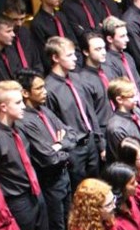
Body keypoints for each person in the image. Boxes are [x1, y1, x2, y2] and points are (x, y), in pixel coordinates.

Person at [0, 80, 49, 230]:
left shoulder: (18, 127)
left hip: (35, 191)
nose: (23, 107)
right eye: (18, 103)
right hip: (17, 199)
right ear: (3, 107)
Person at [15, 69, 74, 230]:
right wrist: (63, 148)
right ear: (25, 93)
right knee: (58, 228)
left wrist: (59, 145)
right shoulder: (24, 121)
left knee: (69, 220)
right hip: (50, 181)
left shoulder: (45, 110)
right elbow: (48, 158)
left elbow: (71, 134)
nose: (45, 91)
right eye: (39, 88)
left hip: (64, 175)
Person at [43, 36, 101, 191]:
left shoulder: (77, 78)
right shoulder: (48, 89)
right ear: (55, 58)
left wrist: (98, 140)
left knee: (96, 186)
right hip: (74, 149)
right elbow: (52, 125)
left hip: (91, 142)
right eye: (69, 55)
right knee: (80, 191)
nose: (75, 58)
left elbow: (90, 111)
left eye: (74, 53)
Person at [101, 16, 140, 117]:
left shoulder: (128, 57)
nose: (127, 39)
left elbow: (139, 83)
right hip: (128, 112)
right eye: (122, 36)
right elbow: (120, 93)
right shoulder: (107, 63)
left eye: (126, 35)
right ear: (110, 39)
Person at [30, 0, 75, 72]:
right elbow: (44, 56)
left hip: (74, 63)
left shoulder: (61, 15)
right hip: (57, 69)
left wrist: (76, 63)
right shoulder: (37, 23)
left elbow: (73, 41)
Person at [104, 78, 140, 164]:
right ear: (119, 100)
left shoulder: (137, 111)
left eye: (136, 94)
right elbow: (126, 161)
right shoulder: (116, 128)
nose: (137, 99)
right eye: (132, 96)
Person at [3, 0, 40, 73]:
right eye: (14, 20)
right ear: (5, 15)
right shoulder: (3, 38)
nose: (19, 24)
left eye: (22, 19)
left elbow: (36, 59)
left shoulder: (26, 32)